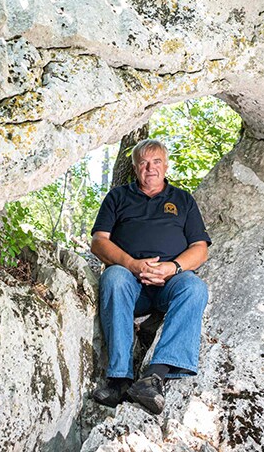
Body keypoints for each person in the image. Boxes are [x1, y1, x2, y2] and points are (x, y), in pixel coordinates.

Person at [90, 138, 211, 415]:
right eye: (143, 163)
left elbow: (200, 249)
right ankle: (119, 379)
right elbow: (98, 242)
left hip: (171, 282)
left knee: (195, 288)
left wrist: (172, 268)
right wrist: (132, 265)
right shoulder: (118, 197)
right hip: (131, 283)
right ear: (135, 168)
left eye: (156, 162)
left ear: (166, 166)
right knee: (114, 277)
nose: (150, 168)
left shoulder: (183, 200)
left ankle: (154, 376)